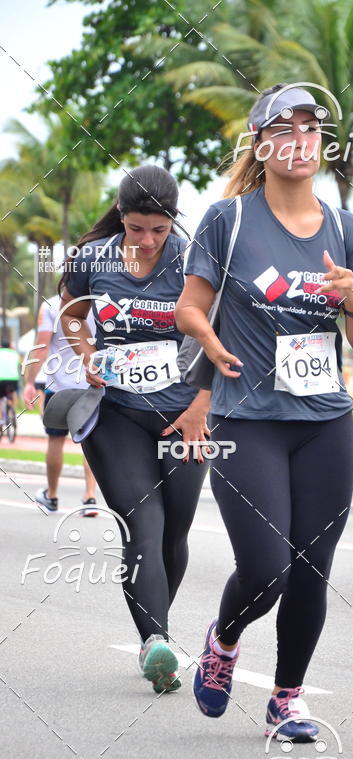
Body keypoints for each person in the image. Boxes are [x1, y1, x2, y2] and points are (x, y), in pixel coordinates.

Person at [176, 84, 353, 741]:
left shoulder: (347, 229)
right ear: (261, 143)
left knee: (311, 571)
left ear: (322, 143)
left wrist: (351, 300)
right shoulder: (227, 219)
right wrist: (208, 340)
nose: (299, 140)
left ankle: (286, 699)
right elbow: (189, 304)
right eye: (283, 129)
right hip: (248, 421)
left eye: (310, 129)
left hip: (325, 422)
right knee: (267, 570)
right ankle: (225, 637)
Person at [59, 164, 211, 693]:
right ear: (120, 217)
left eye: (159, 230)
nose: (146, 241)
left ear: (173, 223)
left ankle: (156, 634)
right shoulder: (92, 257)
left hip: (184, 417)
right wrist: (86, 353)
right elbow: (73, 312)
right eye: (136, 228)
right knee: (142, 521)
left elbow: (222, 331)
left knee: (175, 532)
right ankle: (157, 645)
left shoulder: (195, 258)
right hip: (117, 414)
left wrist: (201, 406)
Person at [24, 295, 98, 515]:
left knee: (55, 440)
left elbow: (41, 347)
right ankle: (90, 497)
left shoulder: (50, 304)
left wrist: (29, 382)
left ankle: (52, 496)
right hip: (90, 384)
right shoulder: (99, 302)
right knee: (89, 443)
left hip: (58, 386)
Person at [0, 338, 20, 428]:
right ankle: (12, 409)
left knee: (0, 399)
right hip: (13, 379)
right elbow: (18, 364)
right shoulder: (14, 353)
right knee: (12, 393)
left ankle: (1, 419)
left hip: (1, 379)